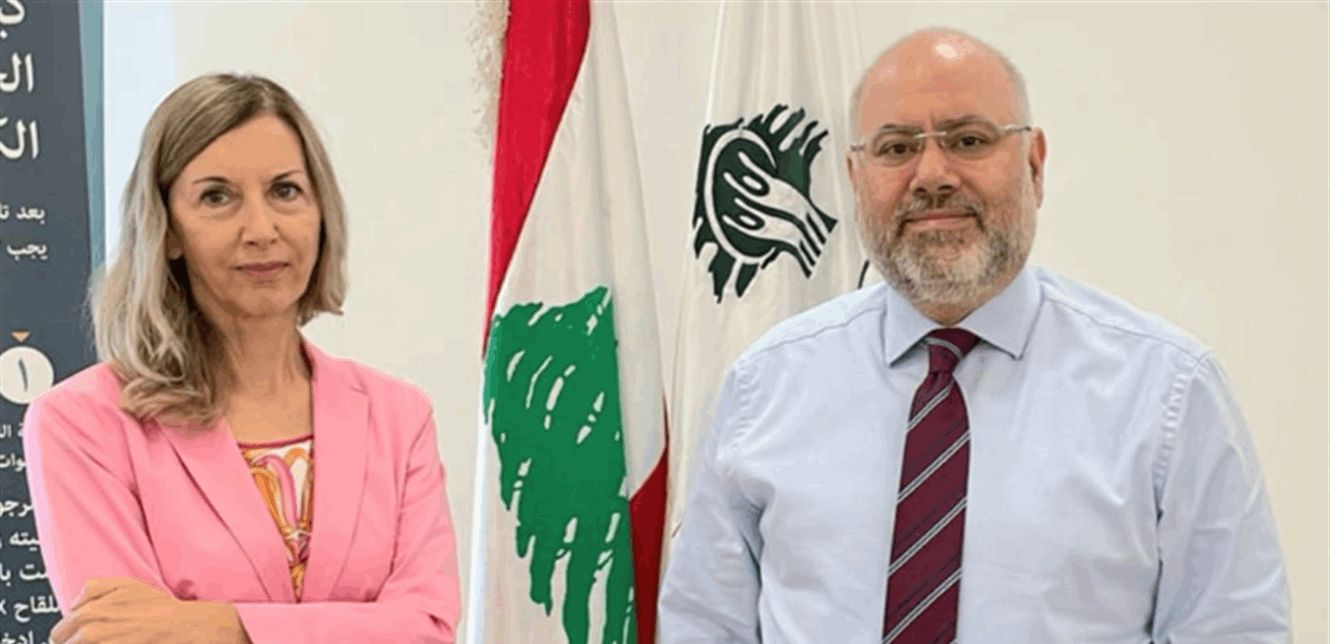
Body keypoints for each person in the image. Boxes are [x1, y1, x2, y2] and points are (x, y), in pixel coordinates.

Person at [658, 28, 1288, 643]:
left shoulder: (1166, 393)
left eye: (968, 139)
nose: (932, 174)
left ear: (1034, 165)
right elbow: (703, 627)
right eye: (896, 148)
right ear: (855, 178)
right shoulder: (764, 387)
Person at [22, 74, 460, 643]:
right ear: (166, 230)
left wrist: (220, 624)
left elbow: (427, 629)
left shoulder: (398, 415)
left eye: (285, 191)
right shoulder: (80, 424)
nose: (261, 229)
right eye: (216, 197)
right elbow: (123, 639)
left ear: (321, 212)